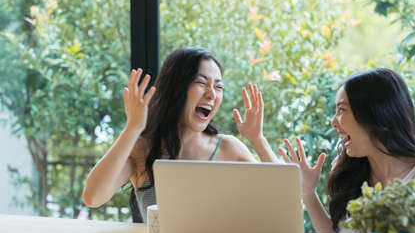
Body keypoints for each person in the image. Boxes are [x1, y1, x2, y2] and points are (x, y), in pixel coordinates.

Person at [82, 47, 275, 222]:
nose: (212, 94)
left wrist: (258, 140)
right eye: (201, 82)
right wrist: (132, 128)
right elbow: (93, 197)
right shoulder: (143, 150)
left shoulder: (228, 149)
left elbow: (280, 199)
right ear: (175, 88)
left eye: (218, 87)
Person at [278, 68, 415, 233]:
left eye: (341, 110)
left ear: (376, 114)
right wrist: (308, 193)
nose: (333, 122)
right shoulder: (348, 171)